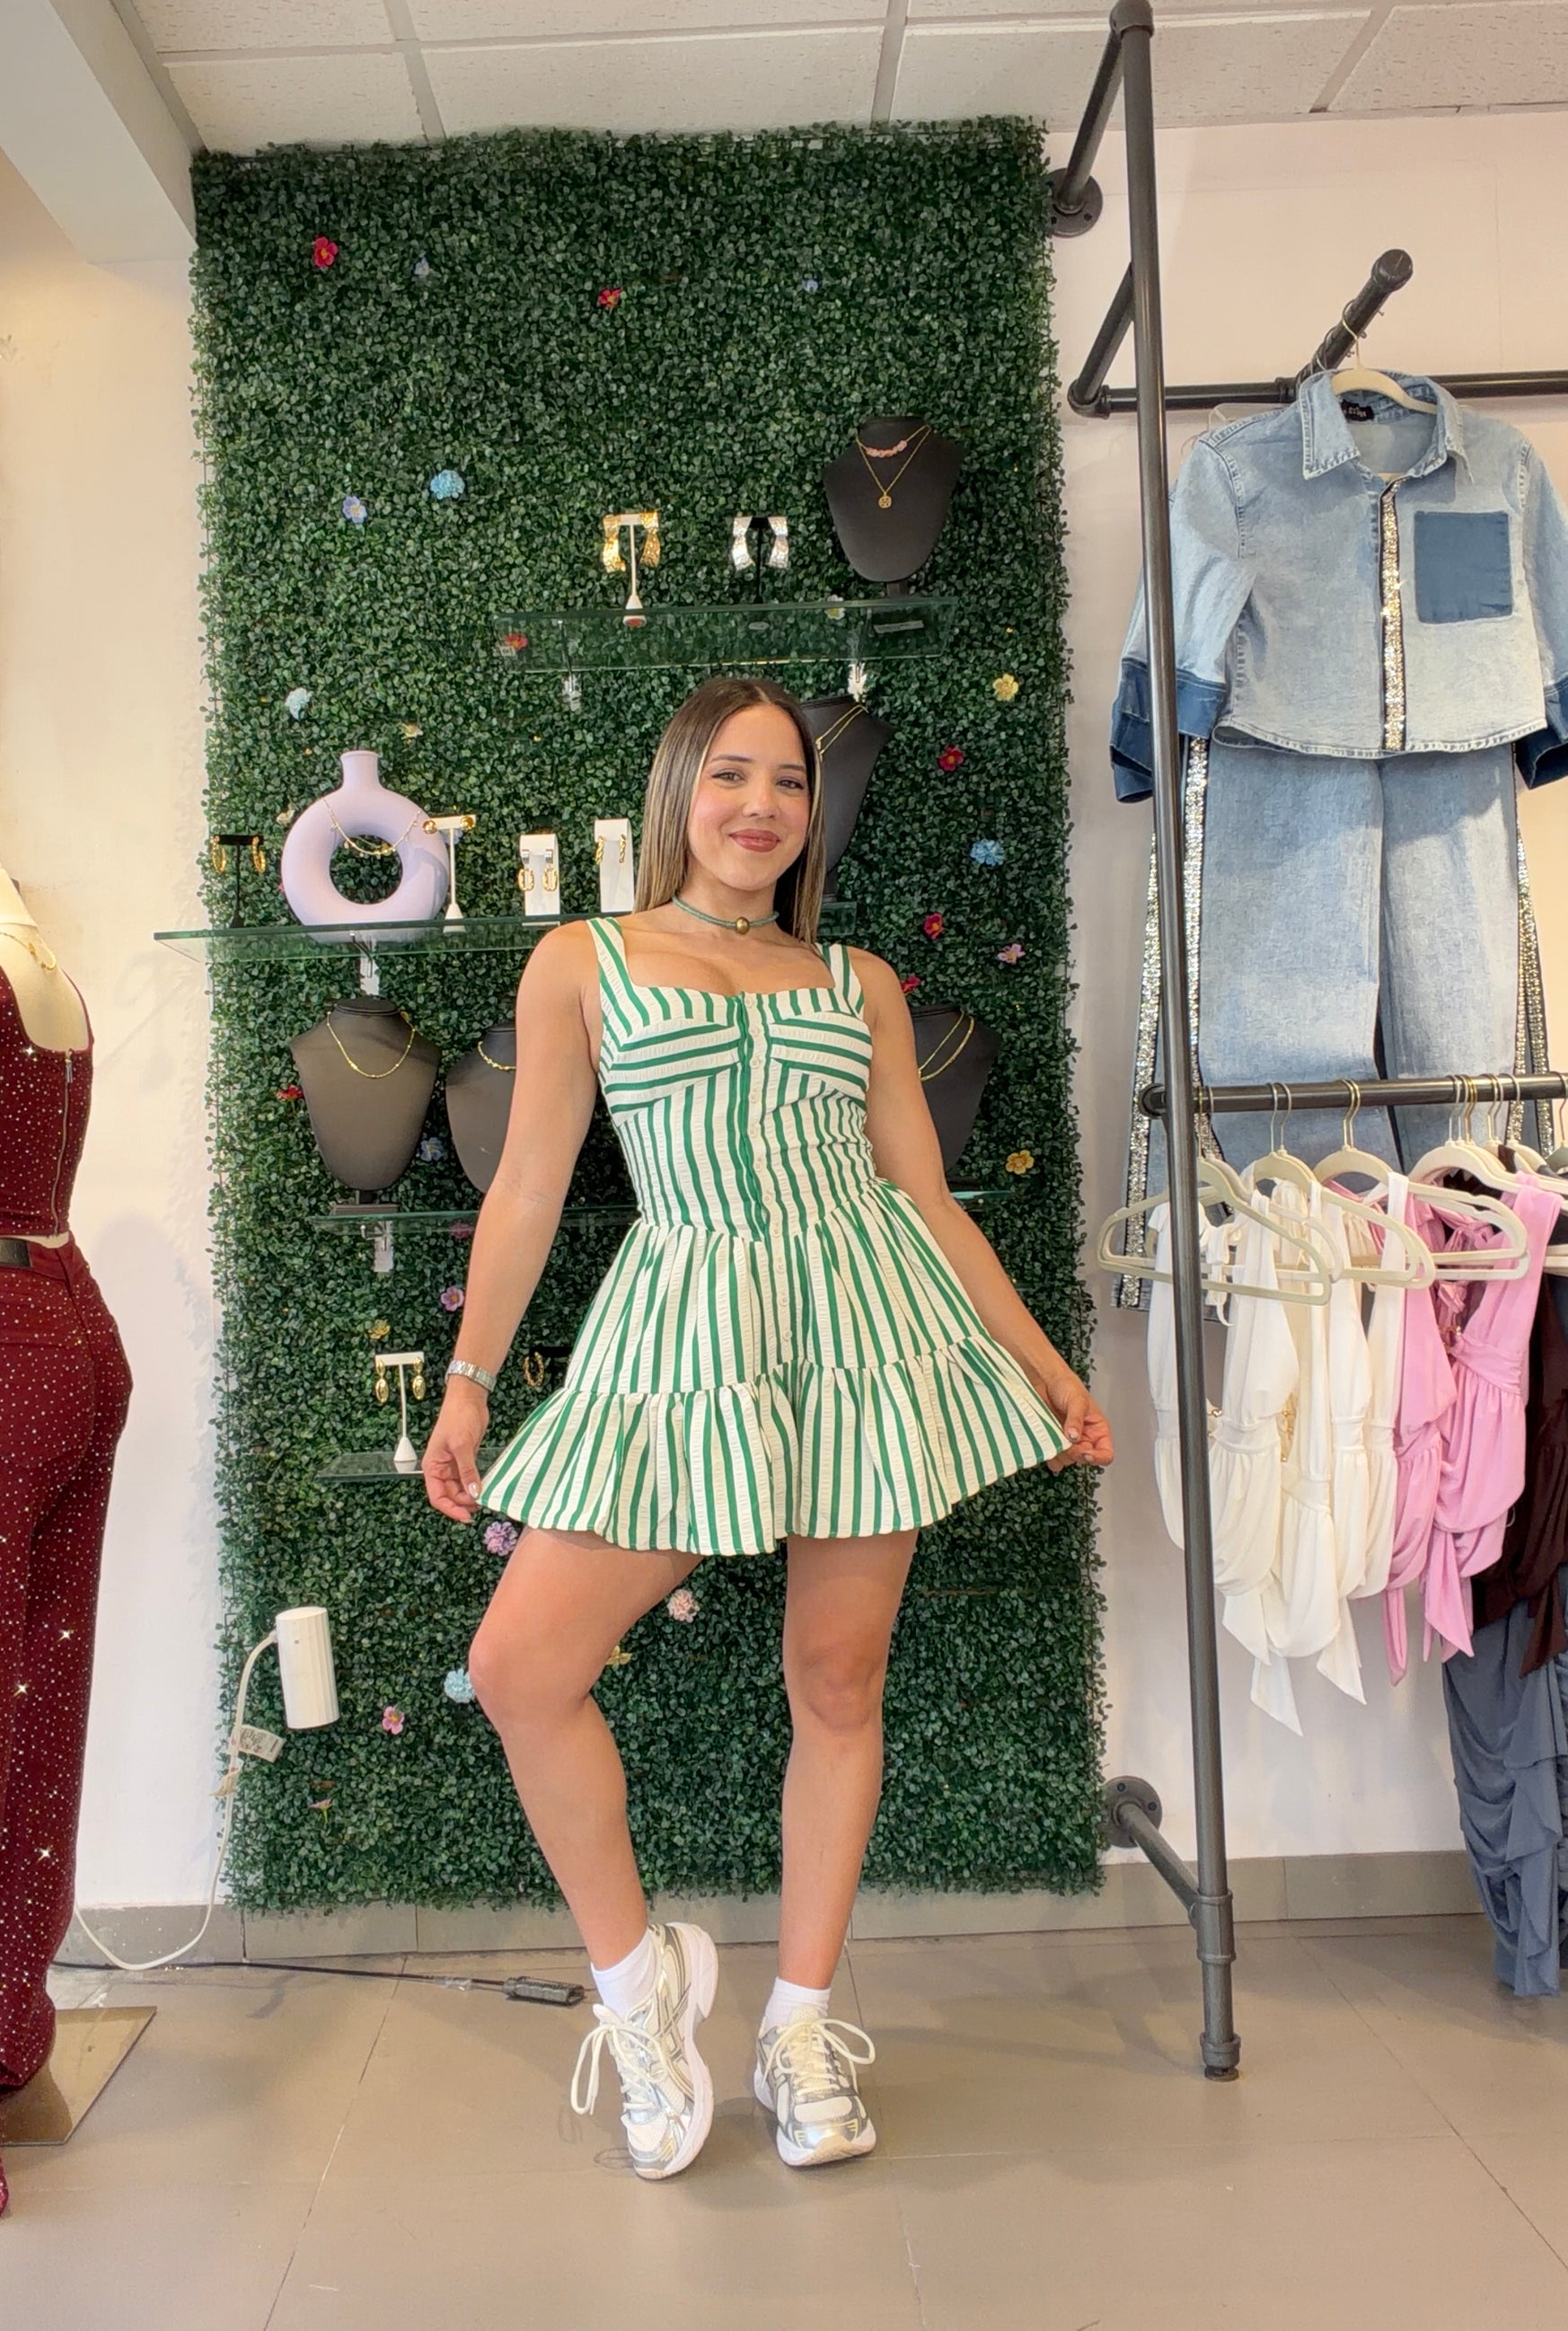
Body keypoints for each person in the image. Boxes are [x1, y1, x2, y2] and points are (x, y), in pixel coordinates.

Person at [423, 674, 1112, 2180]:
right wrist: (469, 1379)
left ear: (812, 811)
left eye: (788, 781)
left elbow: (925, 1197)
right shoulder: (584, 961)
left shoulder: (855, 983)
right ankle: (637, 1988)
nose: (760, 805)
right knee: (521, 1667)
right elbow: (528, 1185)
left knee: (837, 1678)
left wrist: (1046, 1367)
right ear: (680, 788)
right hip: (683, 1327)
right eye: (731, 774)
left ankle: (800, 2024)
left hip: (864, 1329)